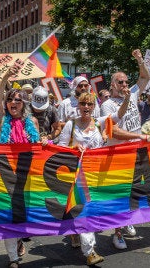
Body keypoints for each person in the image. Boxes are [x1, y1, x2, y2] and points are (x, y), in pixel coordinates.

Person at [57, 91, 128, 265]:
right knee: (84, 210)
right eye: (83, 104)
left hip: (96, 175)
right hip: (77, 175)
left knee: (90, 210)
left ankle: (75, 234)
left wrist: (126, 98)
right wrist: (74, 147)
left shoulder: (99, 122)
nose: (86, 107)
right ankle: (90, 251)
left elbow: (119, 115)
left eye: (90, 104)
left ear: (94, 106)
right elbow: (60, 147)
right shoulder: (70, 125)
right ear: (78, 106)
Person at [99, 49, 150, 250]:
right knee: (119, 193)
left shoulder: (134, 92)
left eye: (126, 82)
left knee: (134, 191)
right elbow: (114, 133)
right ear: (112, 85)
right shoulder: (107, 105)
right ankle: (117, 233)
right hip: (118, 155)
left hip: (135, 153)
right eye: (120, 82)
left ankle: (126, 220)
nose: (125, 85)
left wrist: (139, 59)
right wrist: (137, 136)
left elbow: (145, 76)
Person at [0, 64, 41, 268]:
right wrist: (5, 76)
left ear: (23, 104)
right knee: (8, 215)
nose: (13, 102)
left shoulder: (32, 121)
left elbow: (39, 147)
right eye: (10, 99)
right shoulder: (1, 120)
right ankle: (12, 258)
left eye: (17, 99)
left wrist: (45, 143)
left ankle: (20, 237)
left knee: (24, 214)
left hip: (27, 176)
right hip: (6, 175)